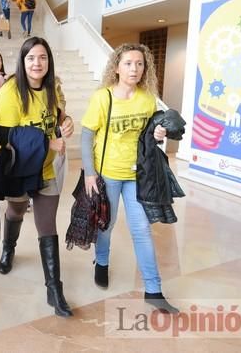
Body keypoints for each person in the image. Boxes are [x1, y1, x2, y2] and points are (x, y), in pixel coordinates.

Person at [80, 43, 178, 314]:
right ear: (116, 67)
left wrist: (157, 134)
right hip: (108, 173)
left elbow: (148, 134)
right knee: (106, 225)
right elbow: (87, 135)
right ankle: (101, 262)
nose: (134, 69)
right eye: (128, 63)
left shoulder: (147, 98)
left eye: (139, 64)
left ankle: (154, 289)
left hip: (137, 175)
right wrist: (90, 173)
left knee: (142, 230)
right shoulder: (103, 97)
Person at [0, 37, 75, 317]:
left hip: (48, 168)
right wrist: (46, 142)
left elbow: (58, 116)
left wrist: (67, 121)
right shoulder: (10, 91)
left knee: (47, 224)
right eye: (31, 58)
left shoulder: (53, 89)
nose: (37, 63)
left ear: (49, 62)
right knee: (16, 211)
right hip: (20, 169)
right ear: (23, 60)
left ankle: (54, 289)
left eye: (42, 57)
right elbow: (5, 135)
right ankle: (9, 248)